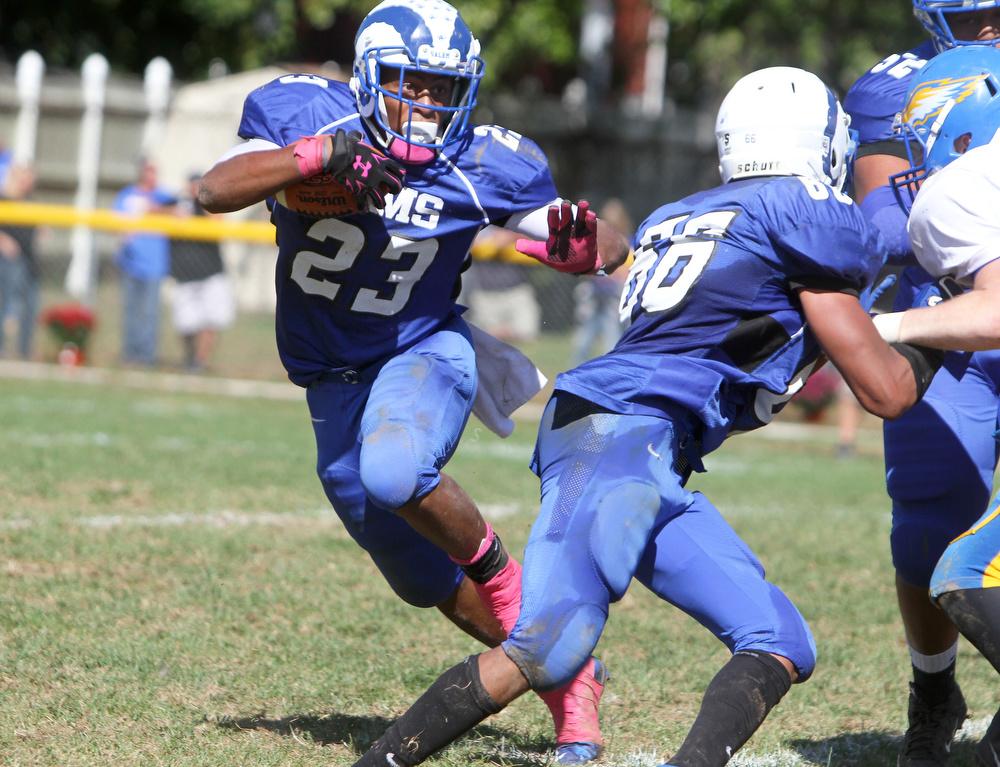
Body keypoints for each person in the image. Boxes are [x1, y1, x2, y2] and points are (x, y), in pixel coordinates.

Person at [349, 66, 938, 767]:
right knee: (545, 644)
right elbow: (887, 391)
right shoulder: (798, 214)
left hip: (648, 445)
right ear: (820, 144)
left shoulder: (677, 216)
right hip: (619, 437)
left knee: (779, 638)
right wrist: (944, 327)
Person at [196, 0, 631, 762]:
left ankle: (526, 612)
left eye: (441, 87)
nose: (427, 103)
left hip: (426, 351)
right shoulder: (308, 112)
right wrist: (322, 158)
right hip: (332, 381)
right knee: (419, 573)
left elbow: (604, 245)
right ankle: (572, 672)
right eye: (411, 83)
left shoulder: (494, 159)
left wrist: (587, 245)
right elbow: (211, 190)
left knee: (396, 466)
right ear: (369, 77)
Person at [844, 3, 1000, 762]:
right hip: (947, 318)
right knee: (928, 526)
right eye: (977, 17)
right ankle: (934, 685)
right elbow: (883, 222)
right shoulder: (903, 90)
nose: (993, 30)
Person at [114, 159, 177, 366]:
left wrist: (154, 209)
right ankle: (129, 354)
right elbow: (115, 222)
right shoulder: (127, 195)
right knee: (131, 311)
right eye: (149, 171)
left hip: (155, 264)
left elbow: (179, 212)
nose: (152, 175)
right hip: (130, 262)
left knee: (150, 313)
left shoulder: (163, 196)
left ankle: (146, 356)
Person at [170, 173, 235, 372]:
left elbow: (217, 221)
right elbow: (155, 211)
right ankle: (190, 359)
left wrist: (202, 199)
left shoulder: (210, 205)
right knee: (186, 323)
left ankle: (200, 361)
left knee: (211, 320)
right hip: (185, 274)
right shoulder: (178, 204)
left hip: (210, 272)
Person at [570, 198, 631, 366]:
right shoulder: (595, 240)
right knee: (584, 338)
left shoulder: (626, 243)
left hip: (613, 297)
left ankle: (612, 368)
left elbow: (625, 272)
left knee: (611, 336)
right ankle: (576, 369)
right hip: (593, 296)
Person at [0, 164, 40, 359]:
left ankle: (25, 350)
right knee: (7, 304)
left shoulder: (29, 201)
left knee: (30, 304)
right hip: (7, 261)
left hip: (28, 261)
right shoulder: (4, 198)